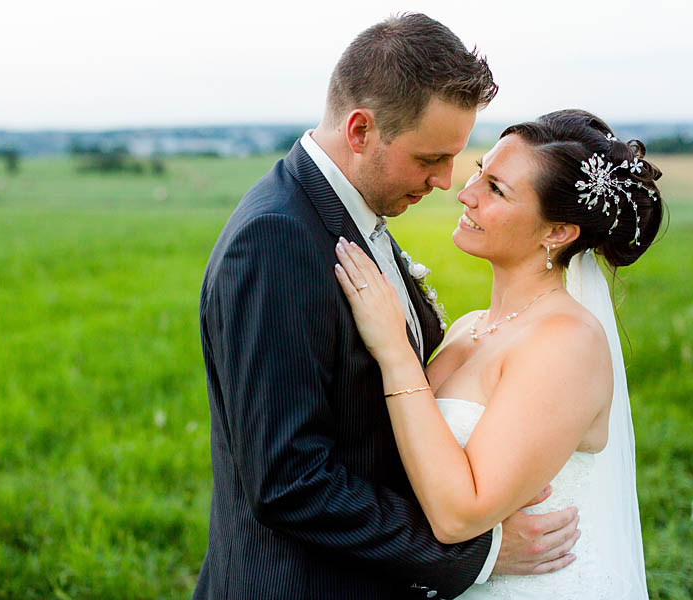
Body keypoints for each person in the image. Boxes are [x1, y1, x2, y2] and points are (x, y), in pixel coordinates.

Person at [194, 14, 582, 600]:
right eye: (429, 159)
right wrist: (481, 551)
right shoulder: (275, 240)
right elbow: (287, 481)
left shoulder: (351, 213)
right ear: (360, 131)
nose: (447, 181)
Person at [333, 109, 662, 598]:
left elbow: (458, 513)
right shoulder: (470, 329)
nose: (465, 194)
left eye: (497, 190)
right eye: (479, 172)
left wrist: (394, 350)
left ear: (558, 232)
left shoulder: (567, 342)